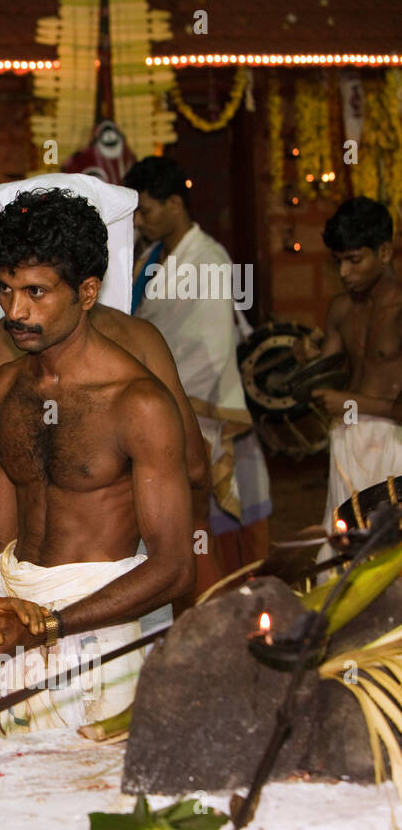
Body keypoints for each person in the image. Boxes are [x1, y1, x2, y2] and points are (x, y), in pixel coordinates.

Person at [0, 187, 194, 737]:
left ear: (87, 292)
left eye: (36, 292)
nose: (15, 311)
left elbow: (173, 566)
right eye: (5, 290)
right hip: (11, 626)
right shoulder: (3, 390)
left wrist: (50, 626)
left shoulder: (137, 403)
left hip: (98, 637)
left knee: (90, 811)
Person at [124, 156, 270, 598]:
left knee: (206, 522)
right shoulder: (150, 257)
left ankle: (226, 611)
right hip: (157, 404)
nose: (140, 223)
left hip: (200, 413)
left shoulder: (208, 260)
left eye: (145, 211)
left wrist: (166, 401)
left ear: (174, 204)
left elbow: (210, 353)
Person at [310, 197, 402, 530]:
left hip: (394, 445)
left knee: (391, 561)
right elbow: (324, 380)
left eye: (354, 260)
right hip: (347, 440)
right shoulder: (340, 308)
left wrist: (354, 402)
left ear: (385, 252)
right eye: (338, 263)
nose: (344, 273)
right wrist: (305, 359)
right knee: (344, 550)